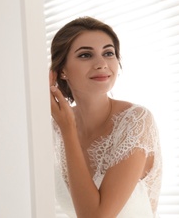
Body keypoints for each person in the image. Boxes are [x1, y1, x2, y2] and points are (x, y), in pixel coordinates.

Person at [49, 16, 162, 218]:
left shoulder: (135, 121)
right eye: (85, 55)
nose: (101, 63)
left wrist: (68, 130)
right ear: (62, 70)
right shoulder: (53, 127)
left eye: (108, 53)